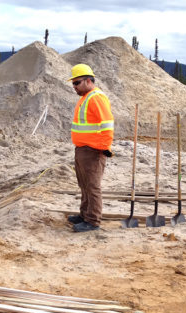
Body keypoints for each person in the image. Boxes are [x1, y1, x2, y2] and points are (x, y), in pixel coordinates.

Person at [67, 63, 114, 233]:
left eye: (77, 82)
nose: (74, 86)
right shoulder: (85, 97)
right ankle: (84, 214)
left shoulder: (96, 98)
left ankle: (93, 220)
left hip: (94, 150)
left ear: (88, 81)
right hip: (82, 149)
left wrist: (104, 147)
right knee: (84, 184)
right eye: (73, 83)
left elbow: (107, 125)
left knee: (93, 186)